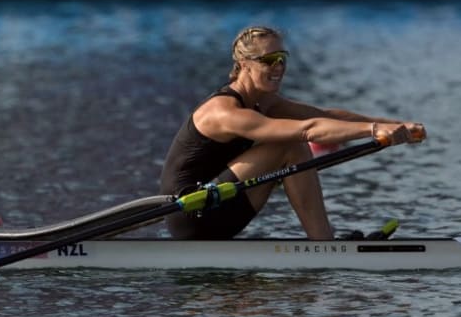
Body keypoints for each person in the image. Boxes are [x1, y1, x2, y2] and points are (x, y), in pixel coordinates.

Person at [159, 25, 426, 240]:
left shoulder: (266, 102)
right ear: (243, 64)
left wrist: (394, 124)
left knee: (295, 142)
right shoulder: (223, 112)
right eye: (269, 60)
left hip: (223, 205)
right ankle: (324, 246)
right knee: (289, 145)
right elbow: (308, 130)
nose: (279, 67)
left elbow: (324, 117)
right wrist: (374, 130)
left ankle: (323, 244)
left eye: (282, 58)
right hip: (192, 214)